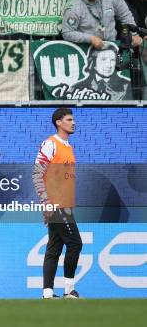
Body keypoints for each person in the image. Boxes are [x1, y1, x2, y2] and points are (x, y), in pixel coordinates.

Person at [32, 108, 82, 299]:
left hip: (65, 204)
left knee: (54, 247)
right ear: (58, 122)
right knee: (75, 243)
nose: (73, 122)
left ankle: (47, 293)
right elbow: (37, 174)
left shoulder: (68, 147)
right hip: (55, 204)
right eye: (69, 119)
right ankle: (69, 290)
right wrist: (46, 202)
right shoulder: (50, 144)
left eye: (73, 119)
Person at [62, 0, 141, 49]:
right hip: (86, 48)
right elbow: (67, 33)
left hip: (112, 45)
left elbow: (125, 15)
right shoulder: (74, 6)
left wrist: (133, 34)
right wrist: (90, 39)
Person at [68, 43, 132, 100]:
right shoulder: (77, 87)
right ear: (93, 61)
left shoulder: (126, 86)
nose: (109, 65)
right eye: (103, 59)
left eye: (112, 60)